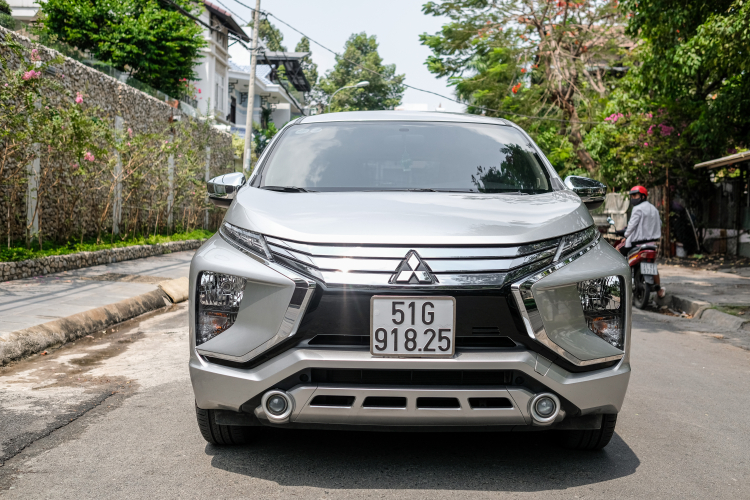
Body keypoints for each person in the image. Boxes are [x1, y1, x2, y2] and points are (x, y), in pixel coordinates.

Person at [615, 185, 665, 298]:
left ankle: (619, 285)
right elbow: (659, 224)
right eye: (632, 195)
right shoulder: (654, 209)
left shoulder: (638, 209)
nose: (633, 197)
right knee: (653, 266)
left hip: (636, 243)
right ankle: (659, 291)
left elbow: (631, 226)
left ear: (643, 196)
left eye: (635, 195)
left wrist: (626, 235)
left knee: (616, 251)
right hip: (651, 244)